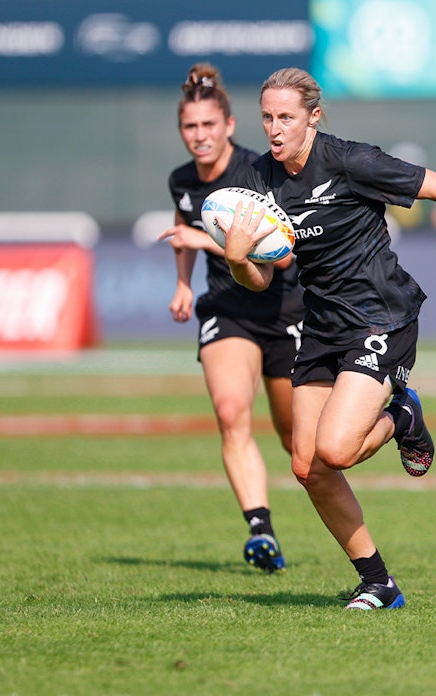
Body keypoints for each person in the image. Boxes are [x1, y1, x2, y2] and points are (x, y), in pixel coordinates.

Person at [220, 67, 436, 610]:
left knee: (336, 450)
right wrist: (237, 260)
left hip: (381, 316)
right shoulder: (258, 180)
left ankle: (402, 415)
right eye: (268, 118)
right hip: (322, 326)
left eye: (287, 118)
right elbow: (263, 278)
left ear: (313, 118)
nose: (274, 129)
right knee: (307, 467)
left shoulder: (350, 161)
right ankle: (378, 583)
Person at [159, 63, 305, 574]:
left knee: (297, 441)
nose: (199, 136)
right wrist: (183, 282)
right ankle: (260, 529)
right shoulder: (181, 181)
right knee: (229, 412)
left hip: (282, 310)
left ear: (229, 125)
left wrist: (206, 241)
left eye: (208, 125)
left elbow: (281, 256)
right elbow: (183, 229)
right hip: (227, 310)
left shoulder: (256, 172)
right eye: (189, 127)